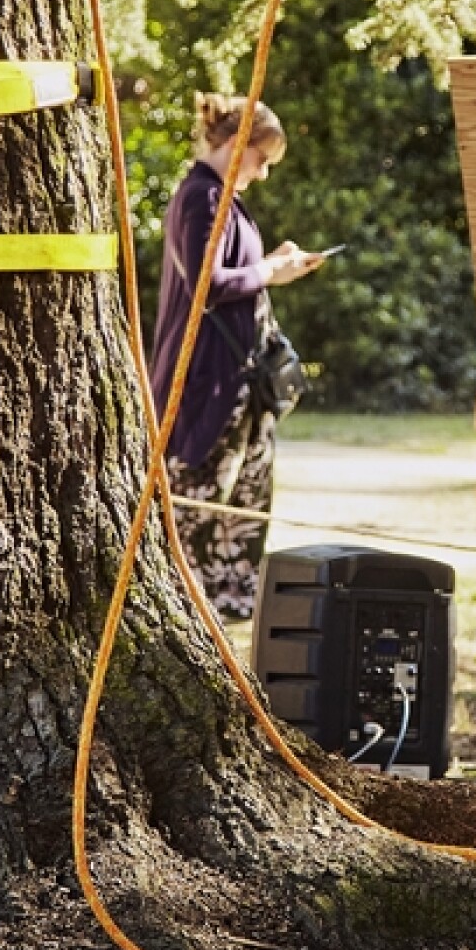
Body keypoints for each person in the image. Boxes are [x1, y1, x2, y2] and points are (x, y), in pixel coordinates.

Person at [149, 93, 325, 621]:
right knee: (197, 509)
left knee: (242, 512)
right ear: (236, 143)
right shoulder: (200, 197)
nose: (263, 173)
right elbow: (207, 284)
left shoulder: (223, 198)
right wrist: (271, 272)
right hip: (208, 385)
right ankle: (193, 615)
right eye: (261, 158)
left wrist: (274, 264)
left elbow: (234, 279)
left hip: (239, 385)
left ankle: (226, 615)